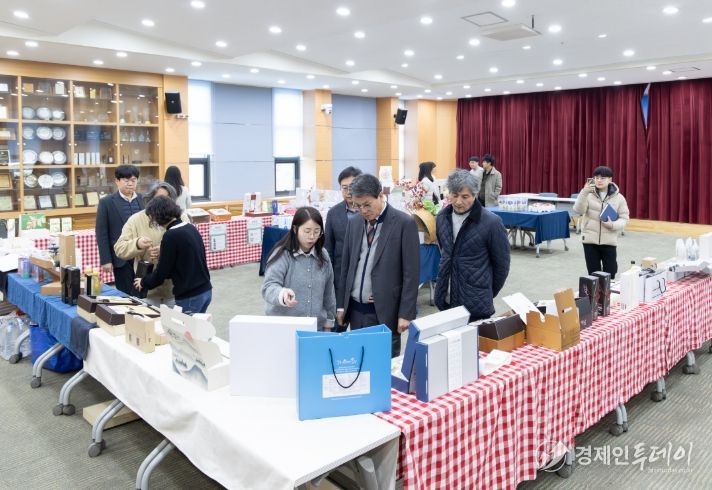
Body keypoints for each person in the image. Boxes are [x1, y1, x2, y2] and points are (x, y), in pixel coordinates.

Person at [336, 174, 420, 357]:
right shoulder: (355, 222)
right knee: (358, 359)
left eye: (367, 204)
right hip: (355, 309)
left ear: (380, 195)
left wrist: (406, 313)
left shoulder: (404, 223)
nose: (363, 210)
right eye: (358, 206)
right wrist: (341, 305)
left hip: (385, 310)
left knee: (384, 361)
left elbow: (411, 273)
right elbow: (346, 266)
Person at [435, 169, 511, 321]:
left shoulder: (492, 222)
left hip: (475, 304)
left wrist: (485, 292)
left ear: (475, 195)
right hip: (446, 299)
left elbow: (501, 266)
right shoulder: (442, 217)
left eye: (465, 197)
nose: (458, 202)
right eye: (454, 195)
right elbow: (444, 251)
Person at [261, 207, 336, 331]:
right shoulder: (283, 255)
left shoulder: (323, 256)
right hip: (284, 328)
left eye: (317, 231)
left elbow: (329, 293)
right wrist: (281, 294)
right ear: (295, 229)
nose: (312, 236)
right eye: (307, 231)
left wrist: (328, 324)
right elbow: (268, 286)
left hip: (315, 327)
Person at [134, 196, 212, 313]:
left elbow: (162, 273)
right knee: (199, 323)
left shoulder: (170, 236)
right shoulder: (190, 227)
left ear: (157, 216)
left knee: (186, 325)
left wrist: (143, 282)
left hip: (189, 295)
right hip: (205, 290)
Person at [114, 181, 182, 306]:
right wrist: (137, 244)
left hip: (175, 289)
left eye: (167, 199)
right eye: (159, 199)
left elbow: (188, 248)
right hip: (147, 290)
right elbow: (119, 249)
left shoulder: (180, 217)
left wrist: (166, 250)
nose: (163, 204)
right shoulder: (136, 219)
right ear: (150, 200)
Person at [573, 165, 630, 278]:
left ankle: (607, 290)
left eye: (602, 178)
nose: (599, 180)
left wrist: (612, 225)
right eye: (596, 178)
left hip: (609, 240)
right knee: (593, 274)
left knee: (610, 273)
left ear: (610, 180)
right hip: (590, 241)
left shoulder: (619, 198)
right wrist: (584, 192)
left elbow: (624, 218)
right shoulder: (587, 194)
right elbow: (578, 210)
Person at [96, 165, 144, 295]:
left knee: (142, 292)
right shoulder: (106, 202)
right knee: (125, 294)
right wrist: (106, 260)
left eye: (133, 180)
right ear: (117, 181)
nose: (130, 184)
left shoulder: (142, 199)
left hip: (141, 255)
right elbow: (102, 233)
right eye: (126, 180)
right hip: (120, 257)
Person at [324, 166, 362, 306]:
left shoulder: (369, 211)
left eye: (352, 187)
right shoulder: (333, 213)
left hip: (364, 275)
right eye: (344, 188)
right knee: (340, 315)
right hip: (340, 276)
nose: (348, 192)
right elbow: (328, 248)